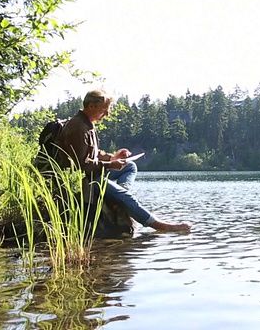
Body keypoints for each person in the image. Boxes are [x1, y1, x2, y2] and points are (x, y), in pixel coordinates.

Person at [57, 88, 191, 232]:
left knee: (130, 166)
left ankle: (117, 196)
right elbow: (81, 165)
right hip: (86, 179)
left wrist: (113, 157)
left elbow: (94, 154)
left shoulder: (87, 124)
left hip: (94, 173)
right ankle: (158, 225)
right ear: (91, 106)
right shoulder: (78, 127)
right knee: (125, 196)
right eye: (104, 110)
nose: (107, 114)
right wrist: (111, 164)